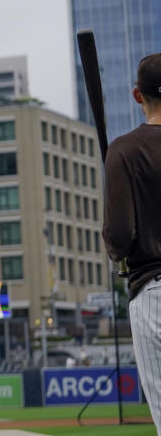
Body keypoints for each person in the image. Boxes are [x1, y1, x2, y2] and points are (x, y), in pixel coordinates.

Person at [103, 52, 161, 429]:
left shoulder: (123, 150)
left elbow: (120, 235)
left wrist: (117, 255)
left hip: (154, 291)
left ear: (136, 95)